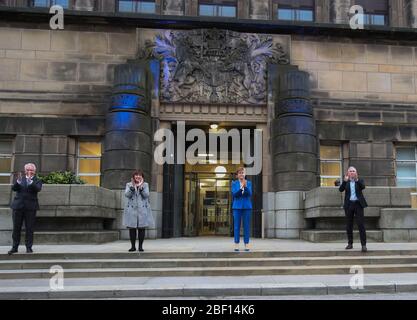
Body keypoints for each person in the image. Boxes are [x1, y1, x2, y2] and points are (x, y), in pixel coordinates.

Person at [8, 163, 43, 255]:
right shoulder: (20, 179)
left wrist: (30, 182)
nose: (29, 171)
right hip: (18, 207)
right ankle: (14, 247)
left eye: (31, 170)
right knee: (16, 228)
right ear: (25, 170)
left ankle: (29, 247)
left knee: (29, 228)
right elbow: (14, 188)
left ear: (34, 171)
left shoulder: (37, 180)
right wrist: (18, 182)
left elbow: (38, 189)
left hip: (30, 208)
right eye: (27, 169)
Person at [123, 170, 154, 252]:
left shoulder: (145, 185)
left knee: (141, 229)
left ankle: (140, 246)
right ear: (133, 177)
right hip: (132, 210)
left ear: (142, 177)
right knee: (132, 229)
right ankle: (133, 246)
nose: (138, 176)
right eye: (136, 175)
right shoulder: (129, 184)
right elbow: (126, 194)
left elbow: (146, 195)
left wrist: (141, 189)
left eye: (139, 175)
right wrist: (132, 189)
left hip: (142, 209)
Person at [339, 166, 368, 253]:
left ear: (356, 173)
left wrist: (357, 180)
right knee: (349, 225)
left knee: (361, 225)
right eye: (350, 171)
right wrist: (344, 181)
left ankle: (363, 245)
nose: (352, 172)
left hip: (358, 205)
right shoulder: (346, 181)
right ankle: (350, 243)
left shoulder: (359, 180)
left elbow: (363, 187)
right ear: (348, 173)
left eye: (353, 171)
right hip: (349, 205)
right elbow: (340, 190)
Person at [231, 167, 253, 252]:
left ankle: (246, 244)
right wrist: (241, 188)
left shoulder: (249, 183)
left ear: (245, 174)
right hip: (237, 207)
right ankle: (236, 244)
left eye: (242, 172)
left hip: (247, 207)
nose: (241, 174)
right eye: (239, 173)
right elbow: (235, 194)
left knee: (246, 226)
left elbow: (249, 194)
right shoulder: (234, 183)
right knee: (236, 226)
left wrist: (245, 186)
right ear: (237, 175)